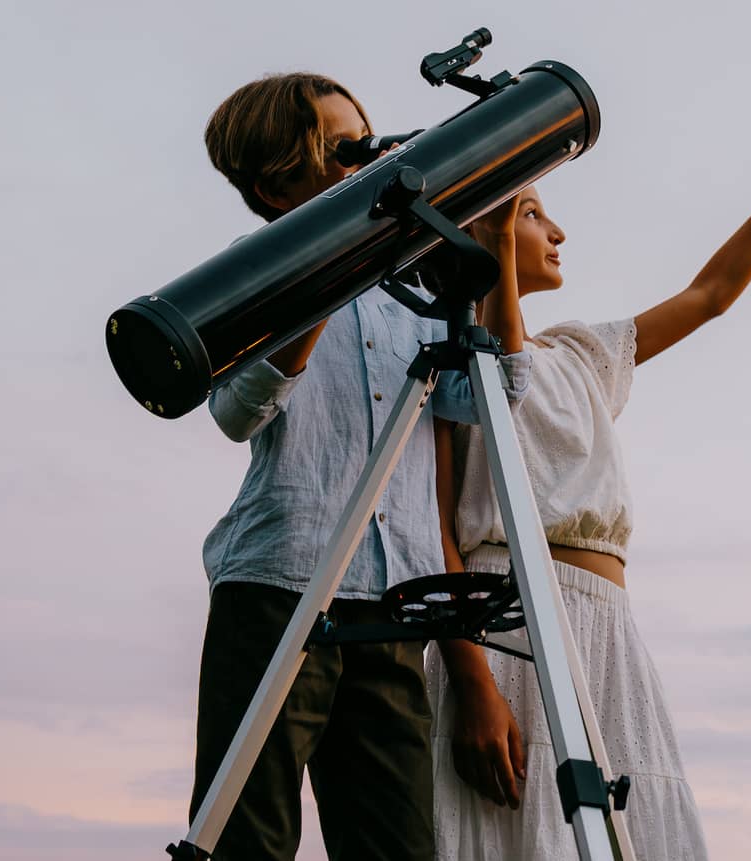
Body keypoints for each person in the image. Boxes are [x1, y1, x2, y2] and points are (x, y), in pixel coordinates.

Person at [427, 120, 751, 859]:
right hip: (505, 619)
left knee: (635, 831)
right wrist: (473, 682)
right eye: (533, 212)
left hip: (607, 623)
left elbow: (709, 294)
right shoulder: (450, 374)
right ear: (483, 225)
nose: (557, 230)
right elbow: (439, 529)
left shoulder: (581, 354)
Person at [189, 72, 532, 861]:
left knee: (395, 842)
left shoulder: (411, 284)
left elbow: (496, 397)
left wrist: (498, 249)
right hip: (281, 585)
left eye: (367, 142)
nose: (367, 161)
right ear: (278, 183)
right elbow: (238, 411)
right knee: (250, 833)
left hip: (393, 606)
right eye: (344, 151)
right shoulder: (254, 267)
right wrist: (324, 265)